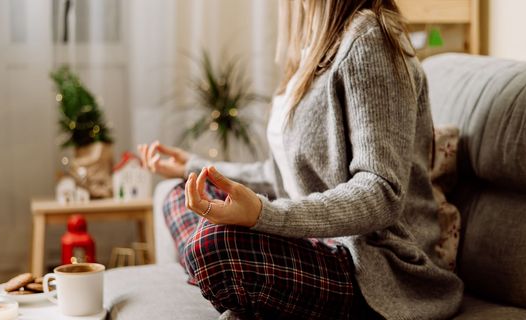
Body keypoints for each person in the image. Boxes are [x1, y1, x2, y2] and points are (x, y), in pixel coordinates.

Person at [138, 0, 463, 319]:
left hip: (376, 268)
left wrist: (265, 214)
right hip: (316, 242)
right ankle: (246, 292)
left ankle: (237, 288)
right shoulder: (311, 50)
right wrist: (194, 169)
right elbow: (279, 176)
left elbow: (381, 191)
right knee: (177, 196)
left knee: (214, 241)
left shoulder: (371, 36)